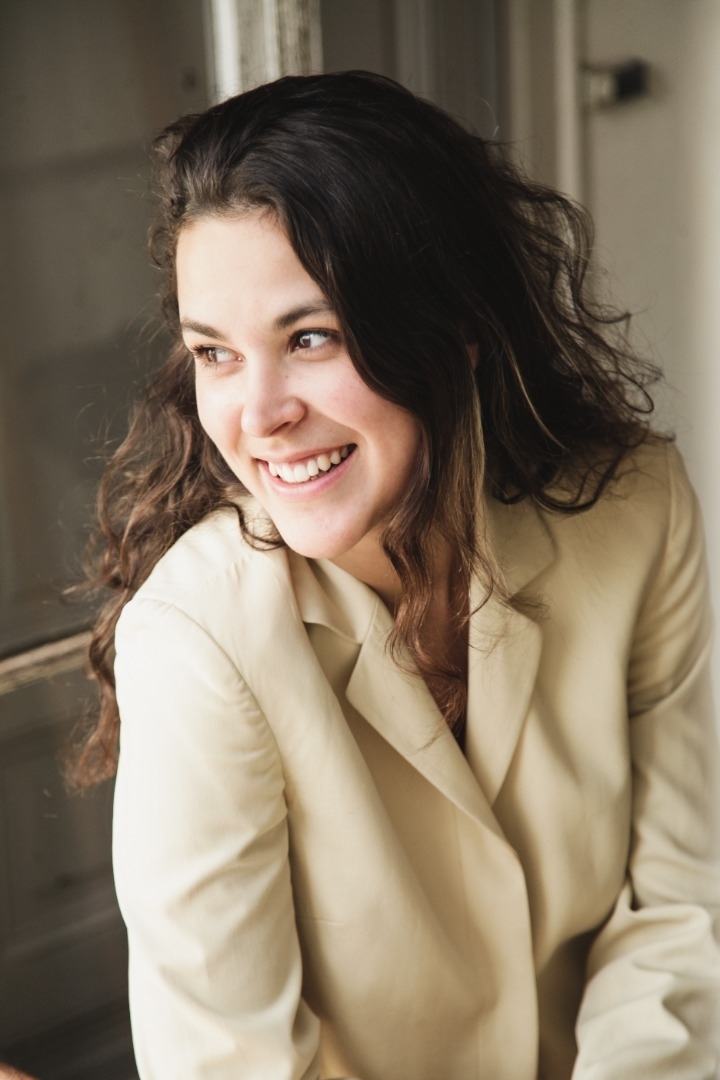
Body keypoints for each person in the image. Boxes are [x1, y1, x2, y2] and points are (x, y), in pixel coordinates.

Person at [73, 71, 720, 1079]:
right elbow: (228, 1064)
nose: (259, 415)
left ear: (456, 327)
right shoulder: (196, 644)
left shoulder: (636, 510)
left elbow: (678, 909)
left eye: (311, 337)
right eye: (216, 354)